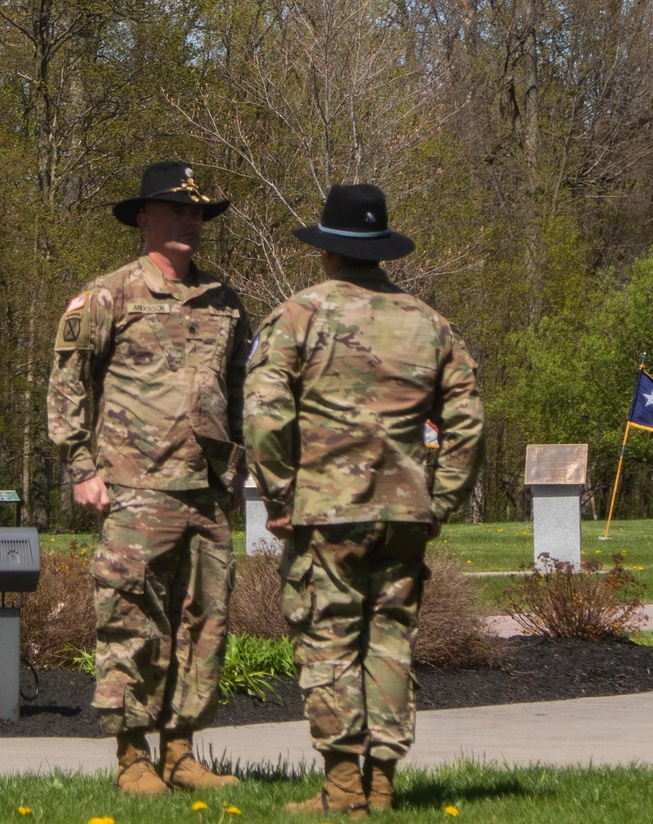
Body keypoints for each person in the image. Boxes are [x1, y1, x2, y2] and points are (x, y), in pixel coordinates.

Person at [244, 183, 485, 815]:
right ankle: (382, 782)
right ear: (380, 251)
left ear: (327, 251)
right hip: (406, 510)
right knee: (389, 640)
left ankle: (343, 787)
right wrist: (443, 499)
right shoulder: (430, 323)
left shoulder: (298, 316)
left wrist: (279, 493)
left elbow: (265, 416)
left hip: (327, 511)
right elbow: (468, 420)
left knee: (329, 639)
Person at [47, 161, 251, 797]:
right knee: (131, 617)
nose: (189, 221)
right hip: (135, 485)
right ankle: (132, 756)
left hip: (208, 489)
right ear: (143, 219)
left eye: (197, 213)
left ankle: (181, 752)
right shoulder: (108, 295)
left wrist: (250, 471)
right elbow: (67, 384)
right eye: (175, 210)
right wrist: (82, 467)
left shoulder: (225, 299)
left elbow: (243, 392)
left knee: (204, 622)